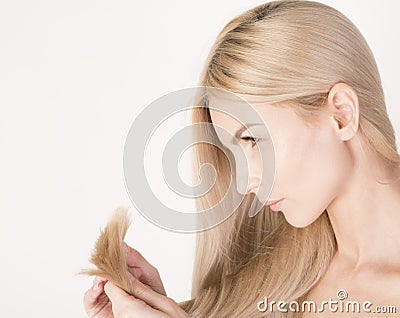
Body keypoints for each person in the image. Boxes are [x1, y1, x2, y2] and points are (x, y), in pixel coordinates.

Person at [83, 0, 400, 317]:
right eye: (235, 152)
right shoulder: (275, 285)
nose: (246, 182)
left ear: (342, 114)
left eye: (252, 139)